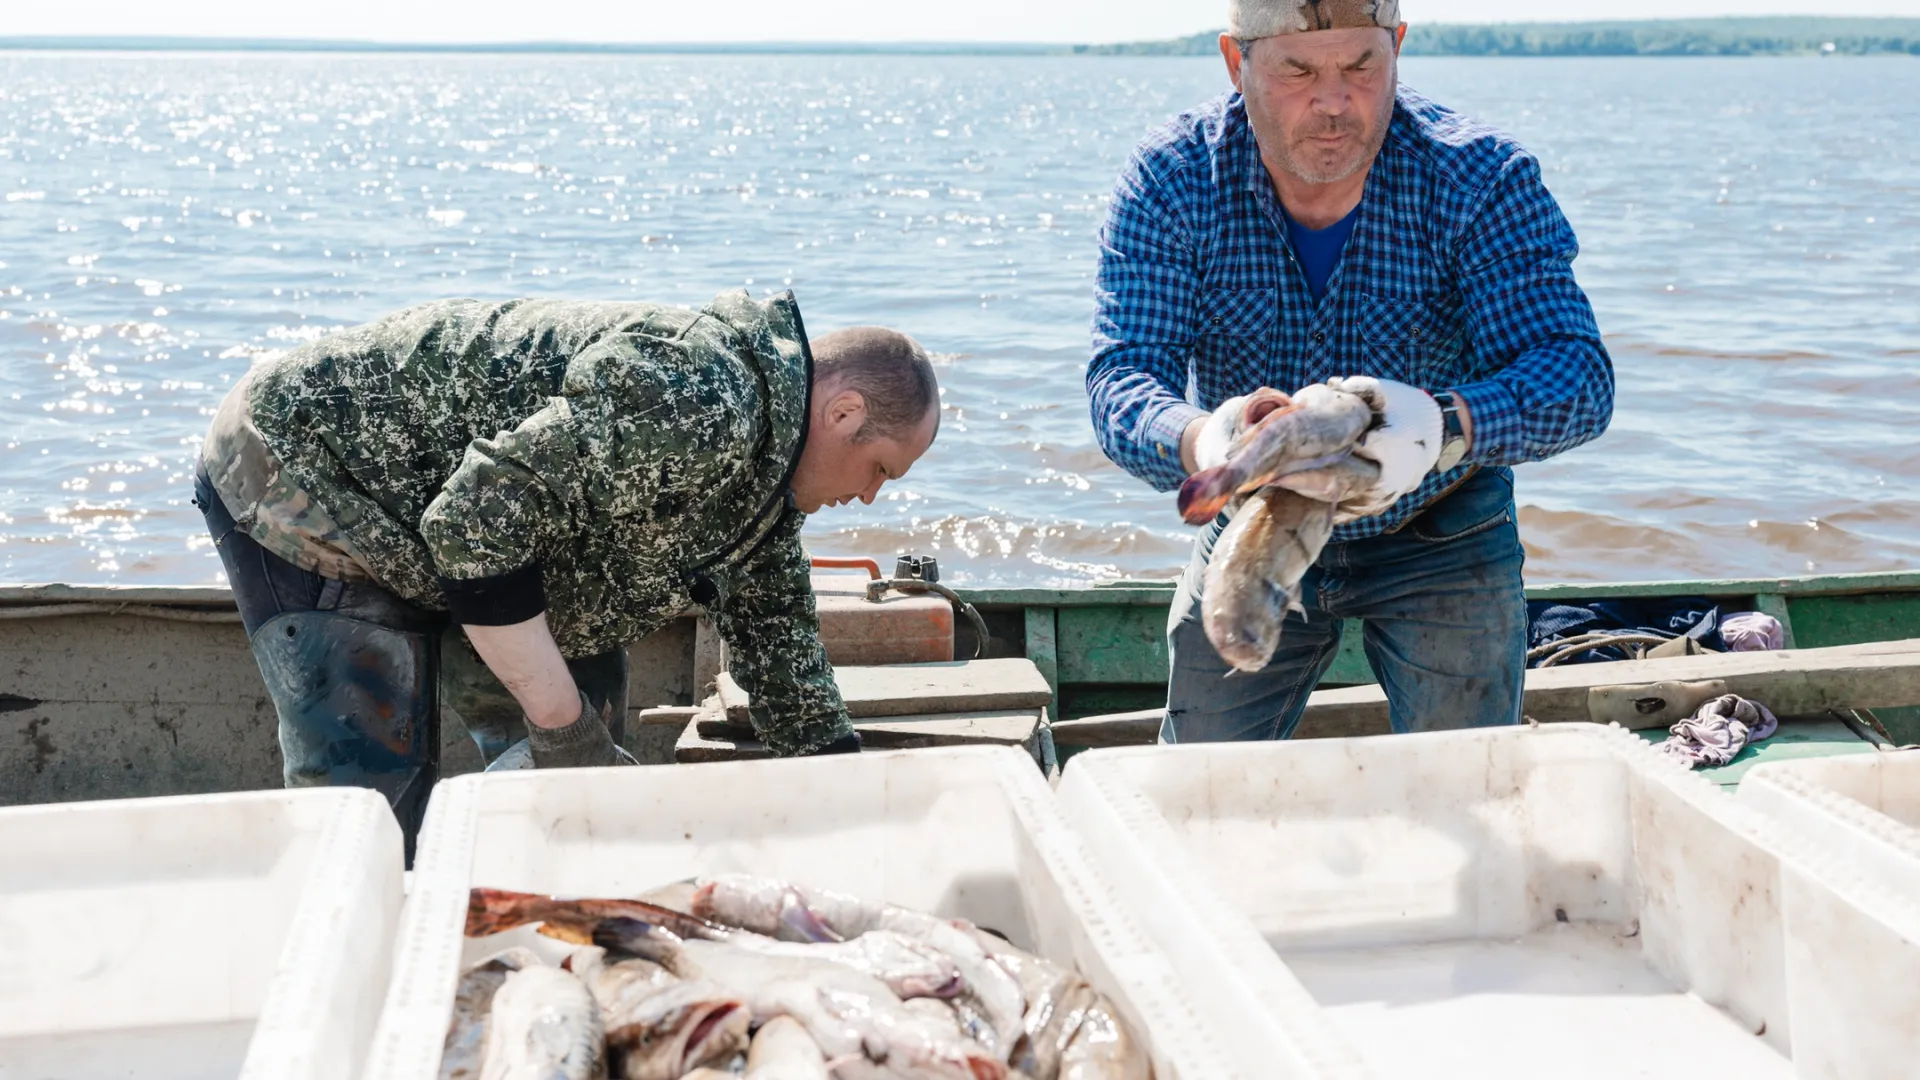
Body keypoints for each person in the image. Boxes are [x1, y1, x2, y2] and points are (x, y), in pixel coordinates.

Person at [195, 288, 939, 837]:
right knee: (372, 811)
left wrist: (859, 825)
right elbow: (470, 525)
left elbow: (792, 684)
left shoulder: (764, 509)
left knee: (580, 801)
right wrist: (560, 724)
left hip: (460, 533)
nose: (872, 498)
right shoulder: (703, 399)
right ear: (842, 415)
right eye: (881, 470)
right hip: (311, 475)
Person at [1087, 0, 1614, 743]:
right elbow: (1123, 376)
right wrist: (1208, 441)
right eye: (1299, 70)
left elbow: (1577, 376)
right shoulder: (1173, 179)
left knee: (1468, 782)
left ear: (1397, 47)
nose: (1334, 103)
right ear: (1238, 64)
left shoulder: (1482, 177)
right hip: (1257, 521)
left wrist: (1443, 426)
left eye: (1362, 67)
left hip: (1443, 524)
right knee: (1198, 779)